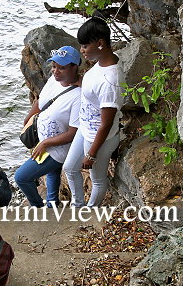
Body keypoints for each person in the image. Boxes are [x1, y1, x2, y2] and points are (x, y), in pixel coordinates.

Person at [63, 17, 124, 206]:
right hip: (85, 128)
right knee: (69, 168)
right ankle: (77, 206)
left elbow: (106, 123)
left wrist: (91, 154)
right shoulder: (103, 62)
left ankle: (89, 212)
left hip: (98, 138)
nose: (82, 51)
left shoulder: (110, 80)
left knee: (97, 179)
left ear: (100, 43)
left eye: (85, 46)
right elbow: (95, 91)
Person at [14, 46, 82, 207]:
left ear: (74, 67)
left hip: (58, 149)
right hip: (45, 141)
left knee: (21, 177)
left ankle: (38, 207)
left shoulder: (79, 96)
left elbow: (73, 133)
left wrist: (45, 143)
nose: (55, 71)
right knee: (52, 173)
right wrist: (29, 118)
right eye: (54, 66)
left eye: (62, 68)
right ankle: (52, 204)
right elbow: (41, 101)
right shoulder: (54, 80)